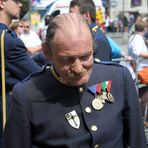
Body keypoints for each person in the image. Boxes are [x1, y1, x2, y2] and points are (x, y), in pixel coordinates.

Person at [3, 13, 147, 148]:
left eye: (85, 57)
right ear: (47, 52)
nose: (78, 68)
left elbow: (137, 142)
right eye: (67, 59)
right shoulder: (27, 95)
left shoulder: (118, 77)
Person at [0, 0, 41, 146]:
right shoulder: (6, 39)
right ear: (2, 3)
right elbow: (37, 74)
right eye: (16, 0)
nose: (20, 4)